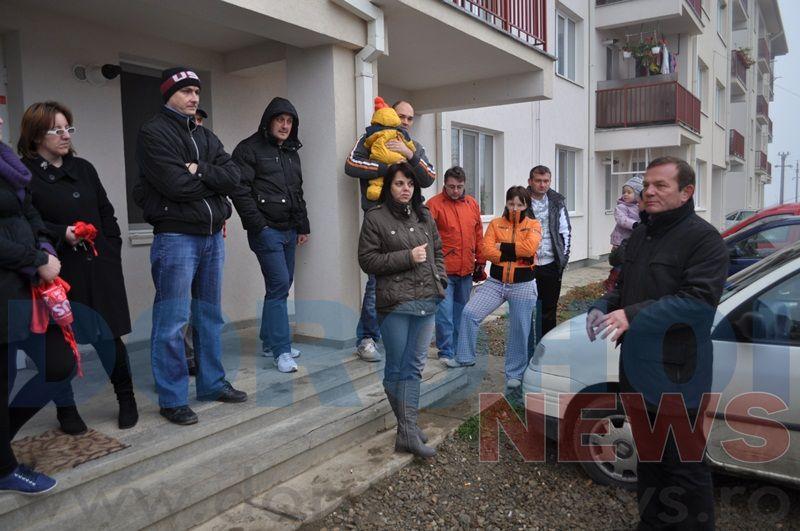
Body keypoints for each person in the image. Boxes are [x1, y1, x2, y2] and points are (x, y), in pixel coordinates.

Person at [587, 156, 728, 529]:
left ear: (686, 192)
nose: (648, 192)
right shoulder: (641, 234)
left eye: (660, 185)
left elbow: (697, 302)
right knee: (649, 461)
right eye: (646, 185)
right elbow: (623, 287)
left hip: (678, 375)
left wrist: (632, 315)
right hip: (637, 372)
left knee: (684, 468)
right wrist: (602, 306)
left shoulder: (704, 240)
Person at [135, 66, 246, 426]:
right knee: (173, 320)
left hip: (212, 236)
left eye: (196, 91)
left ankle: (212, 384)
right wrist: (209, 179)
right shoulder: (153, 133)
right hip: (176, 237)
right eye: (186, 91)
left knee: (209, 316)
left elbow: (234, 176)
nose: (194, 97)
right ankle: (172, 398)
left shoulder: (205, 135)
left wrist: (200, 169)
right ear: (169, 95)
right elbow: (175, 185)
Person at [18, 101, 138, 432]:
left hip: (98, 266)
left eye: (68, 128)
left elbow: (106, 212)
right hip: (56, 272)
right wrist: (62, 234)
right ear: (35, 135)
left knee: (108, 338)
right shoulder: (24, 175)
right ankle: (66, 410)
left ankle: (126, 399)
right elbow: (26, 223)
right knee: (60, 345)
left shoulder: (83, 168)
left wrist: (111, 248)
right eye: (56, 129)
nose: (65, 135)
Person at [0, 115, 71, 494]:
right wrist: (37, 260)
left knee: (59, 365)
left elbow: (29, 212)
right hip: (7, 285)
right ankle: (4, 470)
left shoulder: (6, 161)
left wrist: (44, 246)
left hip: (26, 289)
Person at [358, 162, 445, 458]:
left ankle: (406, 430)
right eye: (399, 183)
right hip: (395, 304)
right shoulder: (375, 218)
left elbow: (438, 251)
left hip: (427, 301)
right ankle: (408, 429)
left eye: (409, 183)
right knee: (397, 367)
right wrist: (407, 256)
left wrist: (440, 279)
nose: (405, 188)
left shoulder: (424, 215)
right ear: (389, 186)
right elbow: (367, 260)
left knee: (415, 367)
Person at [346, 100, 436, 362]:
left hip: (409, 220)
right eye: (401, 116)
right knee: (377, 280)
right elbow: (351, 165)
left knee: (407, 278)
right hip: (379, 218)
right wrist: (389, 168)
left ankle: (396, 334)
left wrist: (409, 156)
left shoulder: (413, 146)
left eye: (410, 118)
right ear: (389, 116)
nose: (405, 122)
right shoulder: (369, 139)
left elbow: (429, 177)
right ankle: (367, 338)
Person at [231, 97, 310, 373]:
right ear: (268, 121)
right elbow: (239, 190)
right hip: (266, 231)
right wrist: (259, 226)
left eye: (289, 121)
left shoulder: (290, 152)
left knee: (281, 285)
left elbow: (296, 191)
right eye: (280, 120)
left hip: (289, 229)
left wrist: (303, 226)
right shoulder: (248, 149)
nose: (285, 126)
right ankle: (281, 350)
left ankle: (268, 341)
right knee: (278, 285)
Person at [444, 186, 542, 390]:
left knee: (519, 329)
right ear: (506, 203)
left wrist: (502, 247)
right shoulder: (496, 224)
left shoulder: (533, 224)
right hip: (496, 283)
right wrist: (514, 254)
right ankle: (464, 358)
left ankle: (514, 373)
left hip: (523, 285)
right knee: (469, 313)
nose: (515, 208)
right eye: (511, 203)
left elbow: (529, 249)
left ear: (526, 205)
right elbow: (487, 250)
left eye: (520, 204)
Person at [426, 166, 485, 361]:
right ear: (444, 184)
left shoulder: (472, 204)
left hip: (466, 269)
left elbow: (478, 234)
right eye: (451, 187)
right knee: (445, 314)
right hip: (443, 271)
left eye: (459, 187)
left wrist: (481, 260)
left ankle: (461, 350)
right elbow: (425, 237)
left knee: (462, 313)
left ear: (464, 184)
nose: (456, 191)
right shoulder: (433, 205)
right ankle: (446, 352)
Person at [526, 165, 571, 353]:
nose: (542, 185)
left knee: (549, 311)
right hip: (526, 266)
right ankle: (527, 353)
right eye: (538, 181)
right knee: (526, 312)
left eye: (546, 181)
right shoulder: (520, 200)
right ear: (530, 181)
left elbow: (565, 231)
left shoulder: (557, 201)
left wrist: (563, 260)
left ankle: (545, 352)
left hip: (551, 265)